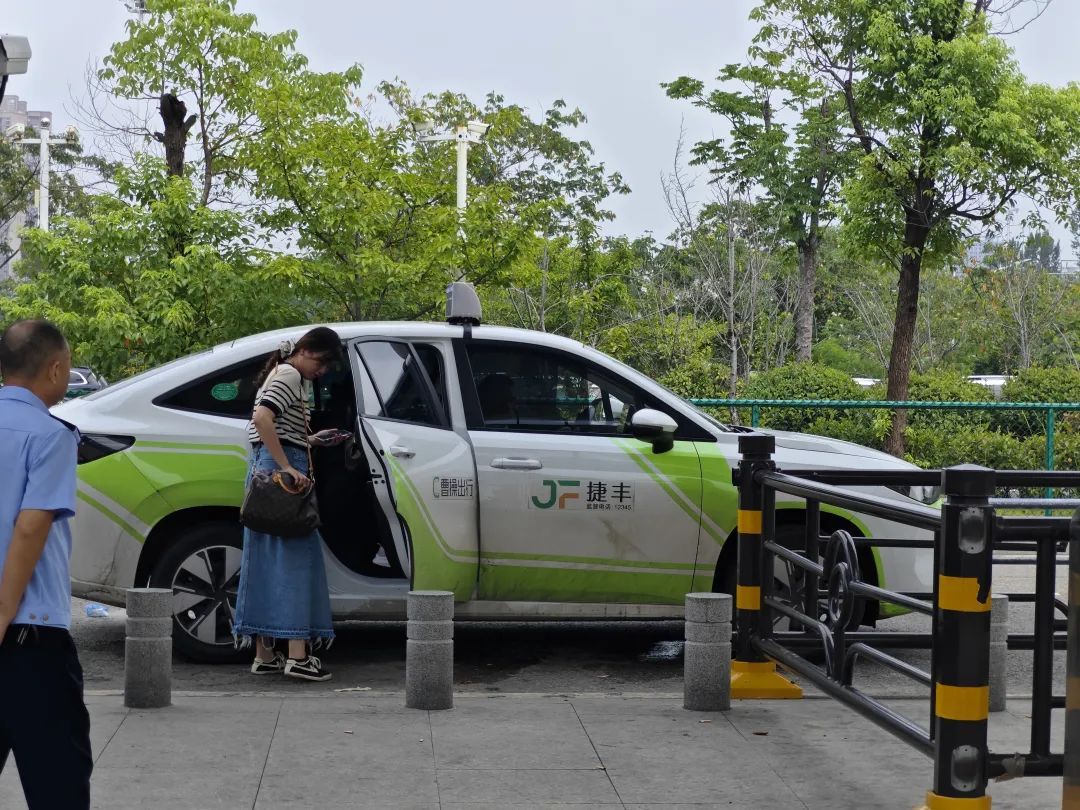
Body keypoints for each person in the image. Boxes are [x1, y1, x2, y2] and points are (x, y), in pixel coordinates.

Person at [0, 319, 92, 809]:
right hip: (29, 637)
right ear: (55, 369)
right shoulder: (50, 435)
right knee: (58, 784)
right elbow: (31, 527)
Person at [232, 326, 349, 682]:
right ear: (307, 350)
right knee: (297, 560)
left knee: (266, 562)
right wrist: (286, 465)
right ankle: (298, 656)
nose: (322, 371)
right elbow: (262, 419)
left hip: (264, 473)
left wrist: (310, 439)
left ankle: (264, 654)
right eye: (322, 362)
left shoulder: (281, 372)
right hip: (280, 474)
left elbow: (275, 426)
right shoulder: (290, 375)